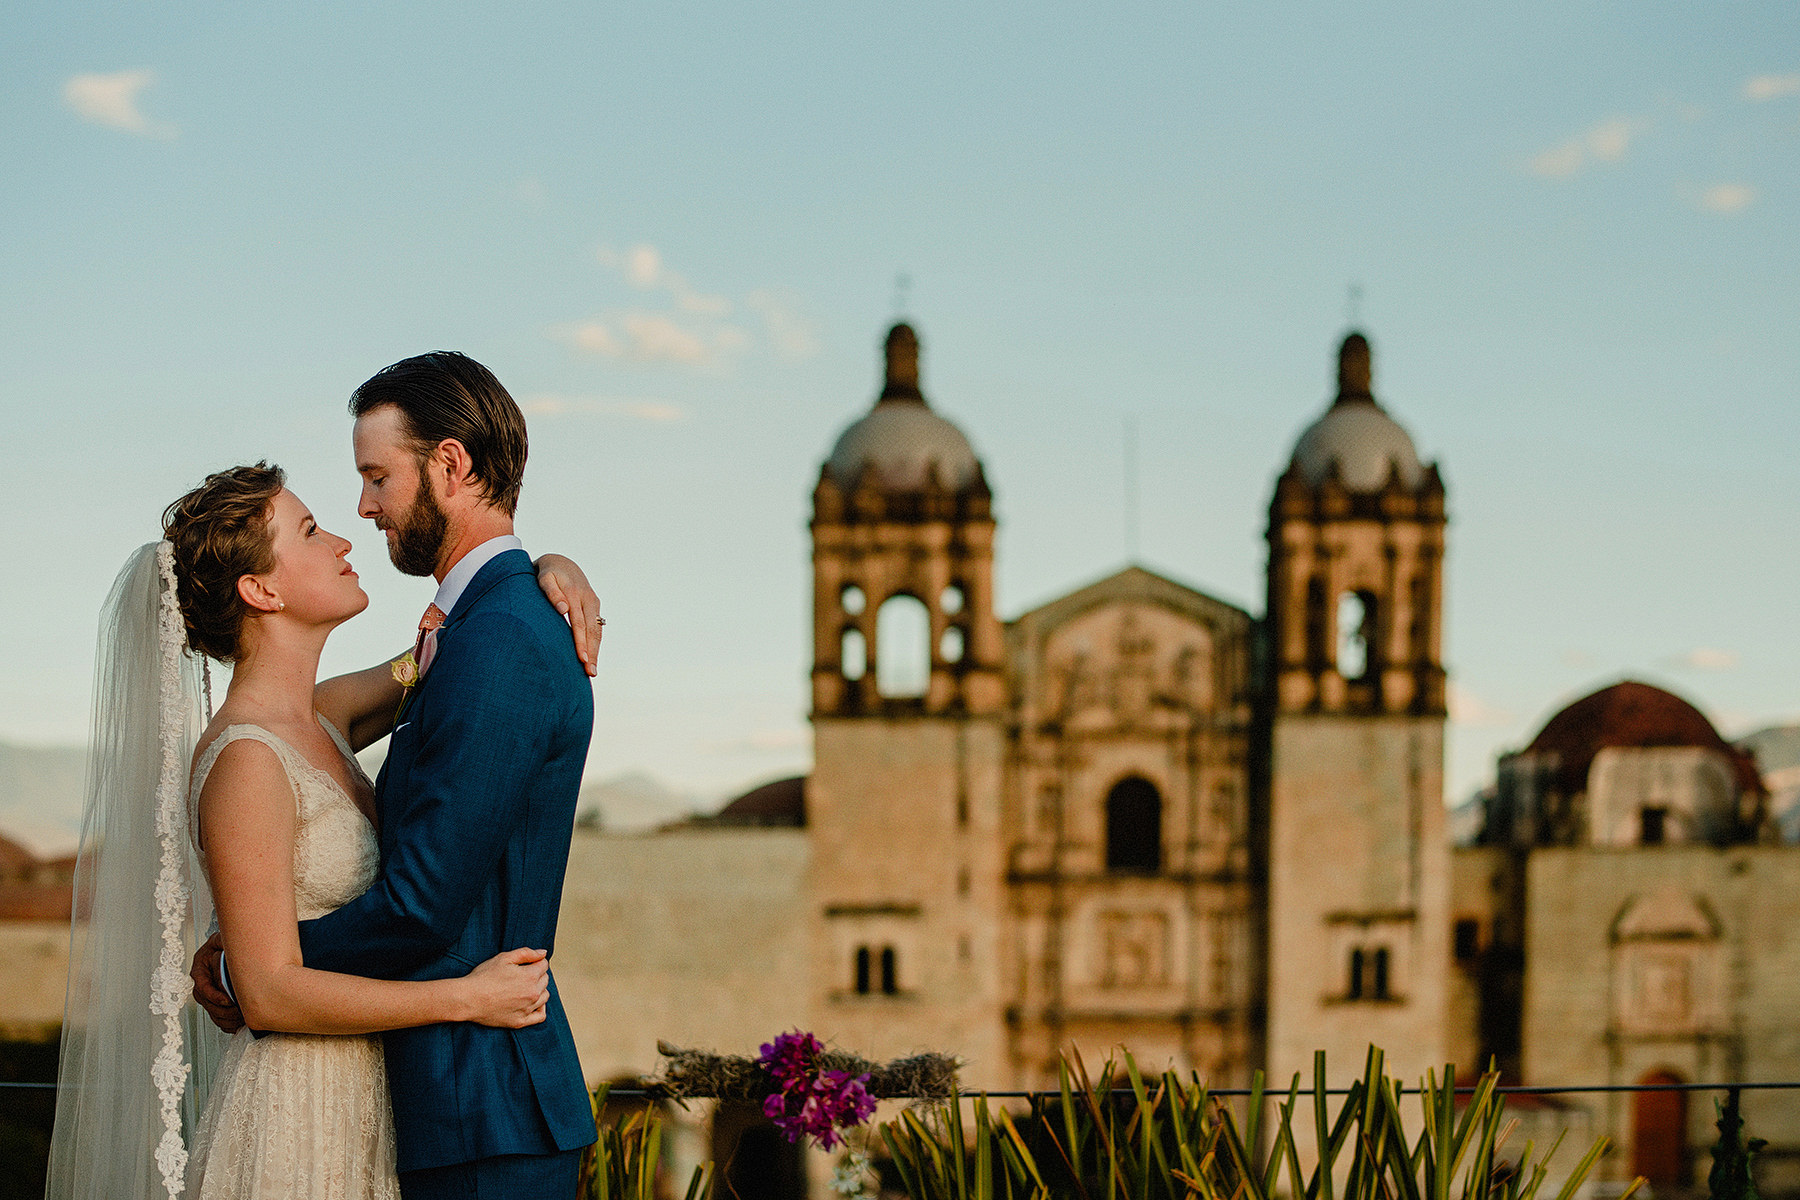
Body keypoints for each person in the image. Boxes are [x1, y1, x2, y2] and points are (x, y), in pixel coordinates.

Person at [188, 352, 602, 1199]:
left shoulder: (496, 640)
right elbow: (428, 660)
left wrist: (248, 969)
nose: (359, 516)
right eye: (313, 529)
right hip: (393, 1100)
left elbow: (418, 909)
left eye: (376, 477)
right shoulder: (288, 733)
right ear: (259, 590)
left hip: (477, 1103)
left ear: (450, 465)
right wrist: (528, 574)